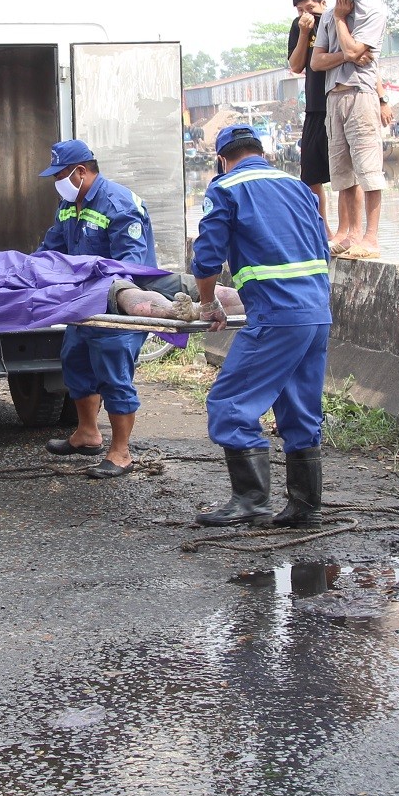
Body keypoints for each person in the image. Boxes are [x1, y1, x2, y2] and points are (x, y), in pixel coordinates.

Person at [192, 125, 333, 527]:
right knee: (300, 408)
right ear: (262, 151)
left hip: (276, 315)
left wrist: (208, 303)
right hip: (316, 313)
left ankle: (251, 500)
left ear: (222, 158)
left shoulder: (225, 188)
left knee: (230, 402)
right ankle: (305, 507)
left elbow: (207, 257)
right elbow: (322, 246)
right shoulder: (298, 187)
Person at [36, 139, 166, 479]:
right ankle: (87, 433)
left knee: (114, 375)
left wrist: (83, 278)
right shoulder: (68, 205)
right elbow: (52, 248)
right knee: (75, 361)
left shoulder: (119, 205)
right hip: (84, 305)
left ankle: (121, 452)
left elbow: (131, 266)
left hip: (118, 306)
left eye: (60, 175)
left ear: (81, 171)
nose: (56, 183)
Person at [309, 0, 391, 259]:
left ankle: (371, 237)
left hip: (361, 94)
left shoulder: (371, 15)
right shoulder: (328, 16)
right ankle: (351, 233)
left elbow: (356, 51)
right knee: (342, 171)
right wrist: (348, 54)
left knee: (368, 169)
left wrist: (343, 23)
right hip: (334, 97)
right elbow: (317, 62)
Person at [285, 0, 335, 245]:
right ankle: (323, 229)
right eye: (300, 10)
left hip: (337, 101)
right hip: (314, 106)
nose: (306, 14)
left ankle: (349, 231)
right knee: (311, 174)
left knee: (344, 171)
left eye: (311, 8)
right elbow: (295, 66)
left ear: (323, 4)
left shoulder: (334, 22)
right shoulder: (299, 27)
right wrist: (304, 33)